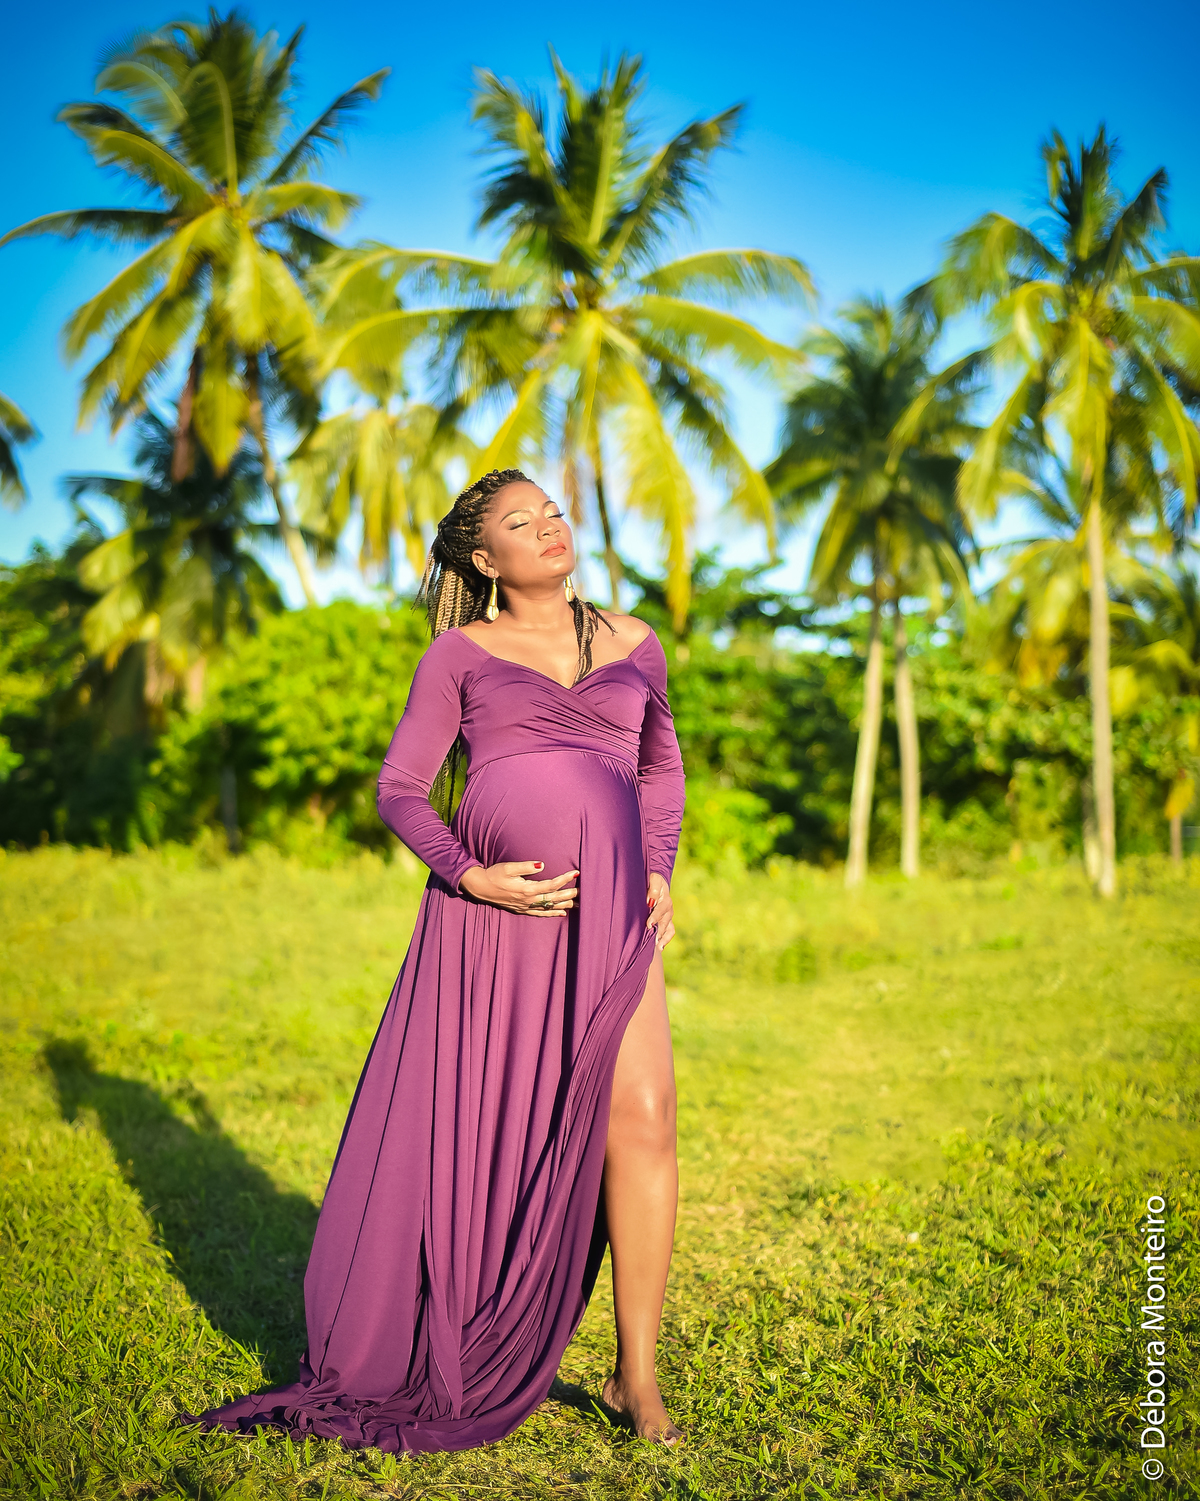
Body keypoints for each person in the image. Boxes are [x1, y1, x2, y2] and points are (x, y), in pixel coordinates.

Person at [187, 468, 687, 1453]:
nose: (547, 526)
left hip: (617, 915)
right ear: (481, 558)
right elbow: (402, 787)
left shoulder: (636, 640)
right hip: (497, 925)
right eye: (519, 522)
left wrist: (659, 865)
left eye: (551, 512)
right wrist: (469, 876)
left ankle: (637, 1376)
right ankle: (453, 1313)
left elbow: (660, 766)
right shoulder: (460, 654)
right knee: (499, 1124)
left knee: (644, 1116)